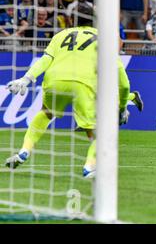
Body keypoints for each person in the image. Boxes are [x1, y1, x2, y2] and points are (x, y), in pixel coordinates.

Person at [4, 22, 132, 178]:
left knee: (46, 113)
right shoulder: (104, 39)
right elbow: (124, 84)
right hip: (83, 84)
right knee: (99, 132)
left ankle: (24, 150)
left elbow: (44, 60)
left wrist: (25, 79)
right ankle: (89, 167)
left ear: (73, 21)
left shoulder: (61, 35)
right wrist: (123, 107)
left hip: (55, 80)